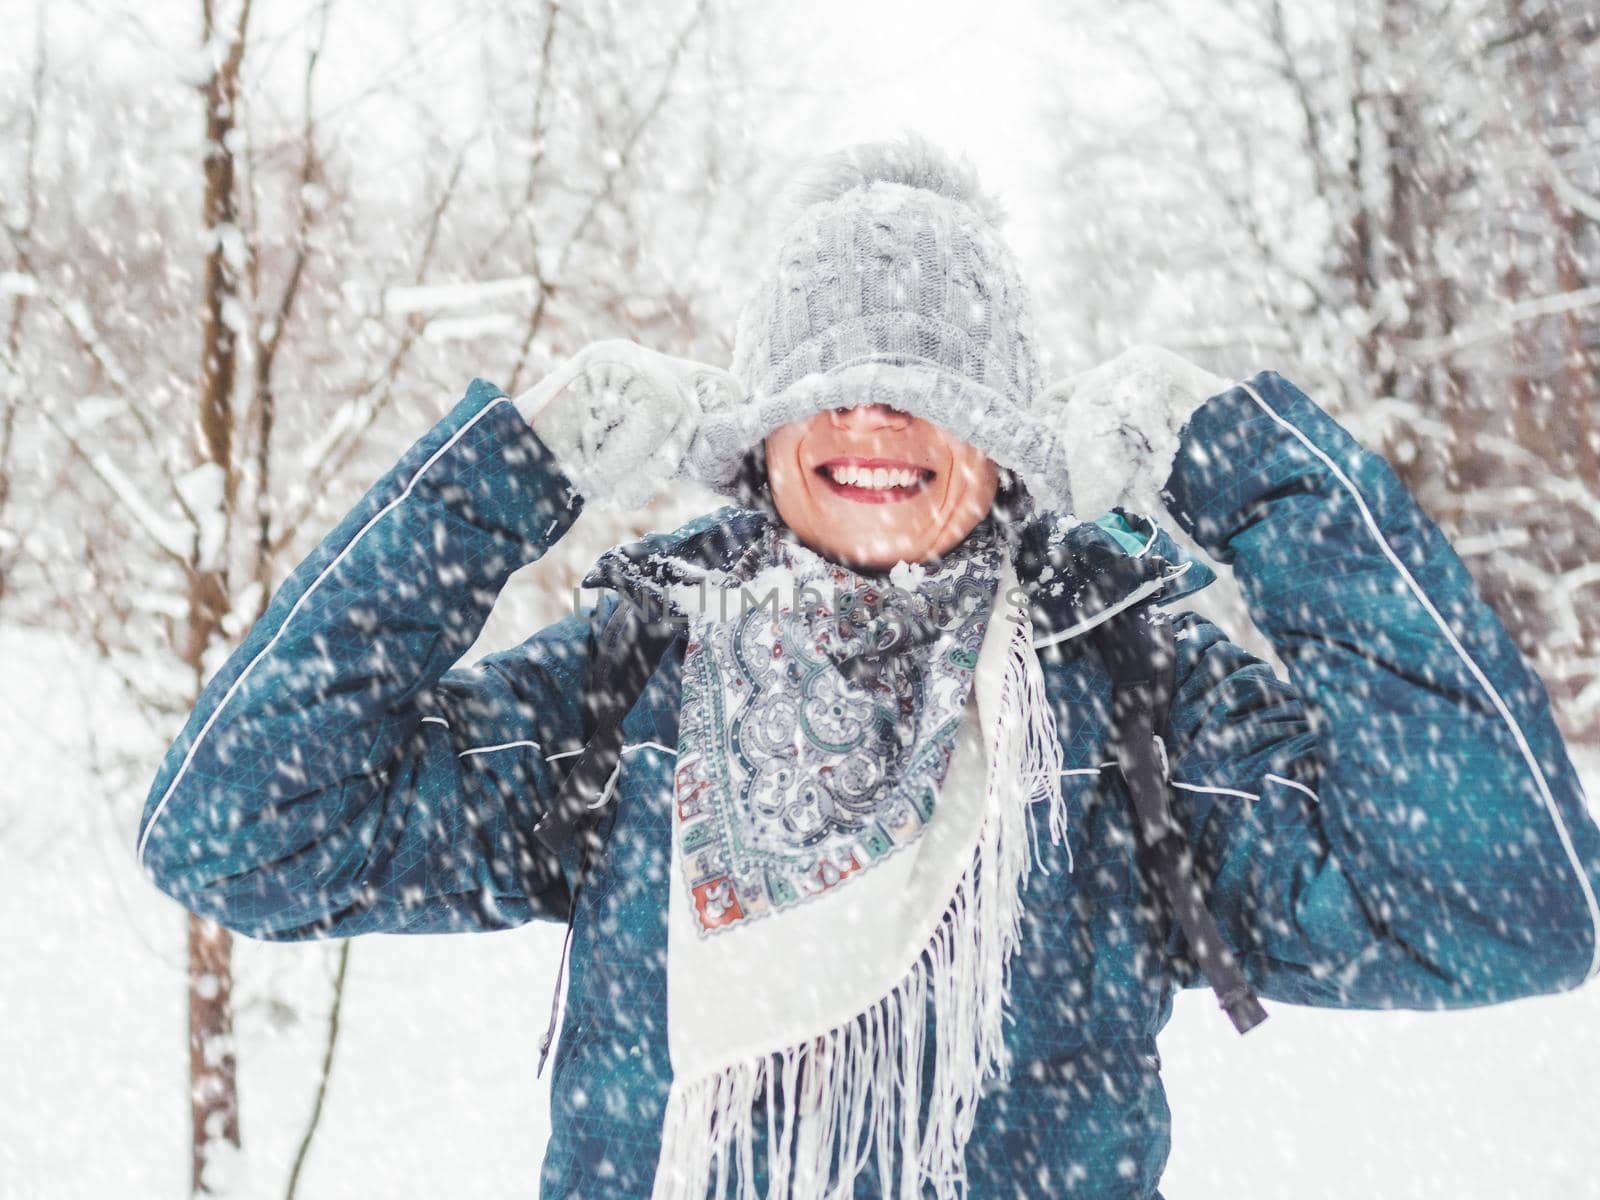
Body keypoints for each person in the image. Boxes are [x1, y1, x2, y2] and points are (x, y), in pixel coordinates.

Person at [135, 132, 1600, 1199]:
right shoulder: (638, 682)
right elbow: (243, 826)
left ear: (1007, 431)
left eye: (931, 382)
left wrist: (1253, 474)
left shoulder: (1126, 694)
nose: (875, 421)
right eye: (827, 380)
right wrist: (502, 476)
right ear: (767, 427)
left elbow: (1509, 900)